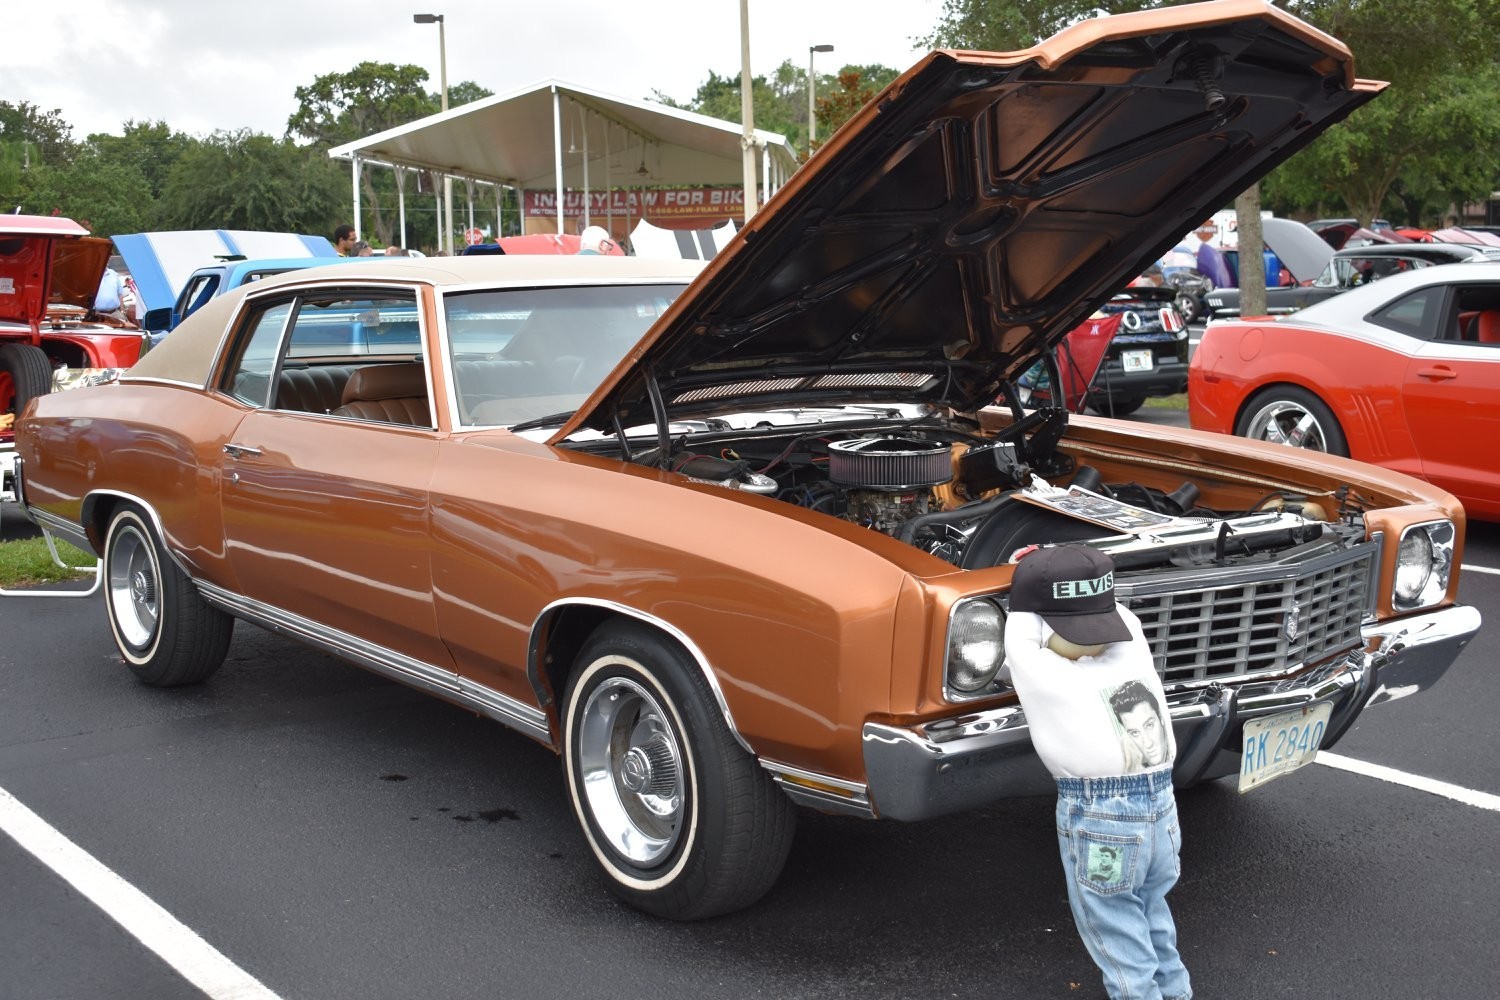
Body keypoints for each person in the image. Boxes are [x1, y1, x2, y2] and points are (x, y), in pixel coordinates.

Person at [1004, 544, 1191, 1000]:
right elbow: (1116, 610)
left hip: (1102, 813)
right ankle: (1177, 992)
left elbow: (1019, 627)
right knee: (1151, 912)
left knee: (1117, 935)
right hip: (1162, 804)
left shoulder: (1042, 671)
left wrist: (1024, 571)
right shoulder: (1133, 643)